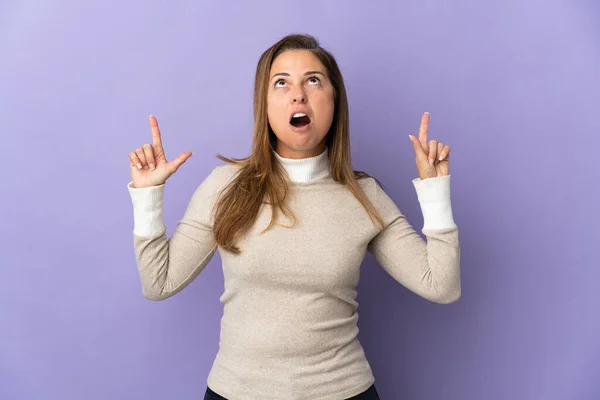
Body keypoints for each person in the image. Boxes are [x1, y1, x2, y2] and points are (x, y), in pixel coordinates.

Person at [127, 33, 460, 400]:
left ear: (335, 101)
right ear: (265, 105)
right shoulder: (224, 186)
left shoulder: (365, 197)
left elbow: (441, 286)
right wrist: (147, 195)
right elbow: (158, 284)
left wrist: (435, 191)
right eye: (281, 83)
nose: (298, 94)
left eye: (313, 81)